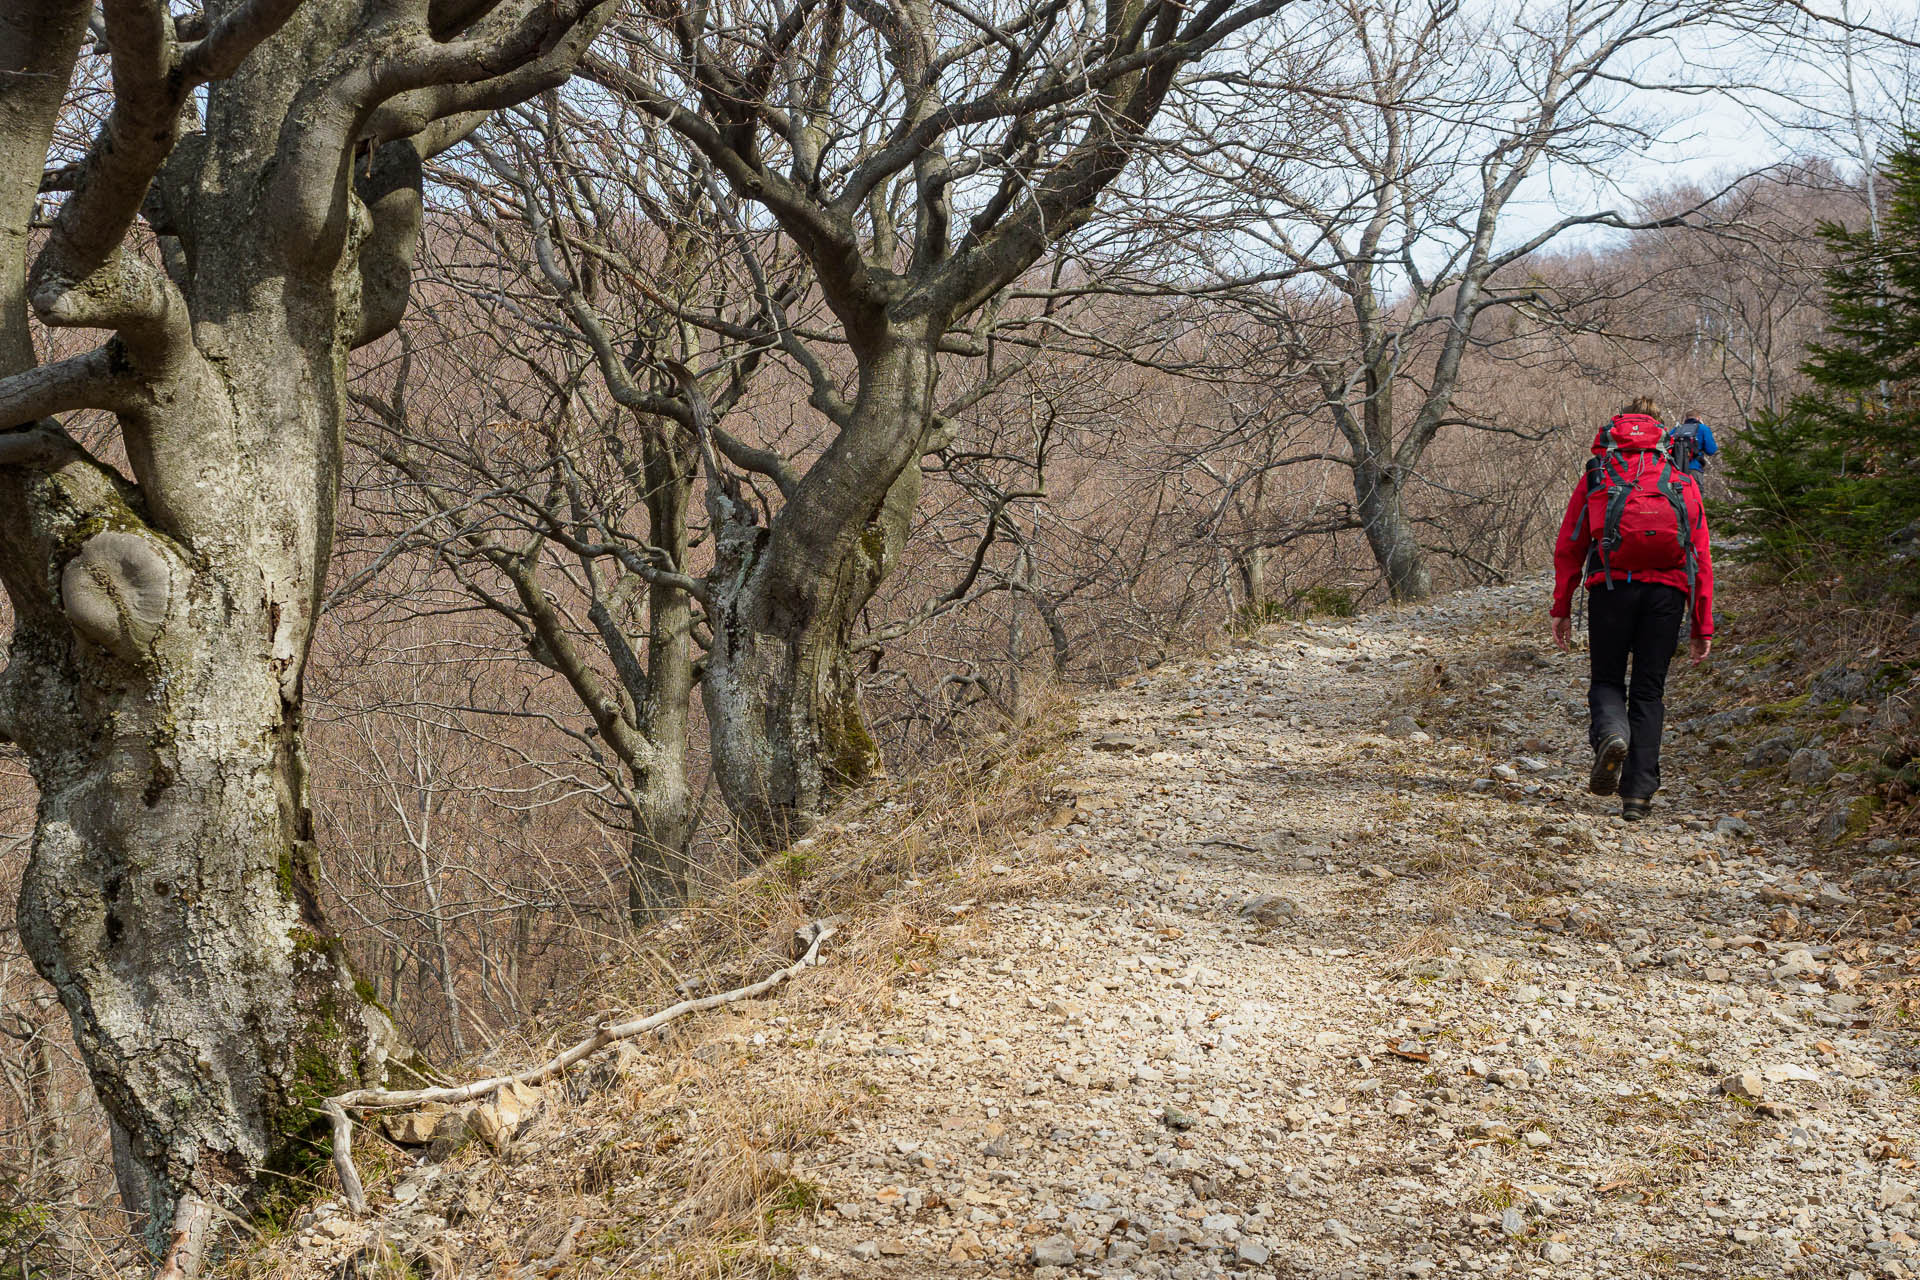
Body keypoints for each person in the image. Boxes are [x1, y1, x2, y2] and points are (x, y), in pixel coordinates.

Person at [1549, 397, 1714, 821]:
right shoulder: (1680, 476)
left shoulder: (1599, 474)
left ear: (1615, 429)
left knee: (1607, 678)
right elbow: (1700, 554)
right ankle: (1637, 794)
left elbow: (1571, 543)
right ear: (1662, 431)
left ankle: (1611, 733)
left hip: (1611, 588)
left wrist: (1562, 604)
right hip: (1667, 594)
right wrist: (1701, 624)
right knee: (1649, 690)